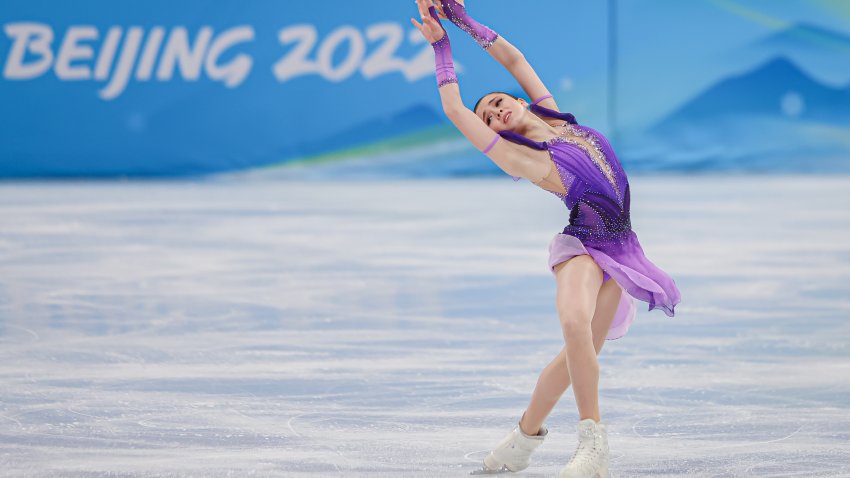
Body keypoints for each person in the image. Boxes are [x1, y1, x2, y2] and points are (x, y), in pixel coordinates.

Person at [411, 1, 681, 476]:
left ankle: (521, 440)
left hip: (623, 247)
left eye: (497, 101)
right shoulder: (524, 159)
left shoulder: (559, 118)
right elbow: (455, 108)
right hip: (584, 244)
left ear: (517, 100)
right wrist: (441, 46)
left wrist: (464, 20)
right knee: (575, 326)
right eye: (489, 116)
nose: (494, 110)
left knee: (578, 357)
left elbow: (514, 61)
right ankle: (593, 442)